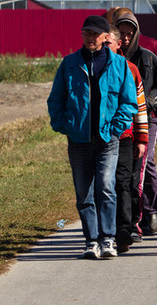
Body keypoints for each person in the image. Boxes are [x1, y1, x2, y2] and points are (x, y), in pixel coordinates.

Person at [47, 15, 138, 259]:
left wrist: (116, 128)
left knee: (106, 188)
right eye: (85, 33)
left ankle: (108, 238)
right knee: (84, 193)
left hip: (107, 140)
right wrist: (65, 125)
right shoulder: (69, 64)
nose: (89, 38)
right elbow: (56, 99)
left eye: (94, 34)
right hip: (79, 141)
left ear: (105, 37)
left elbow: (129, 103)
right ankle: (91, 241)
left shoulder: (118, 65)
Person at [107, 7, 157, 236]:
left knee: (142, 166)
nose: (125, 38)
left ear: (136, 32)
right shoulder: (109, 57)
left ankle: (146, 213)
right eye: (121, 32)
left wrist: (149, 104)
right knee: (122, 172)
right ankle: (124, 217)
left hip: (148, 121)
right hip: (118, 124)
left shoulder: (148, 55)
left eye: (129, 33)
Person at [104, 25, 149, 254]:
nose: (104, 48)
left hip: (124, 136)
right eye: (101, 43)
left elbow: (140, 106)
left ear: (118, 44)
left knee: (123, 182)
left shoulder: (129, 69)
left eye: (108, 43)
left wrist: (142, 138)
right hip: (98, 139)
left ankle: (124, 230)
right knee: (103, 185)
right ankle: (104, 232)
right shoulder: (90, 67)